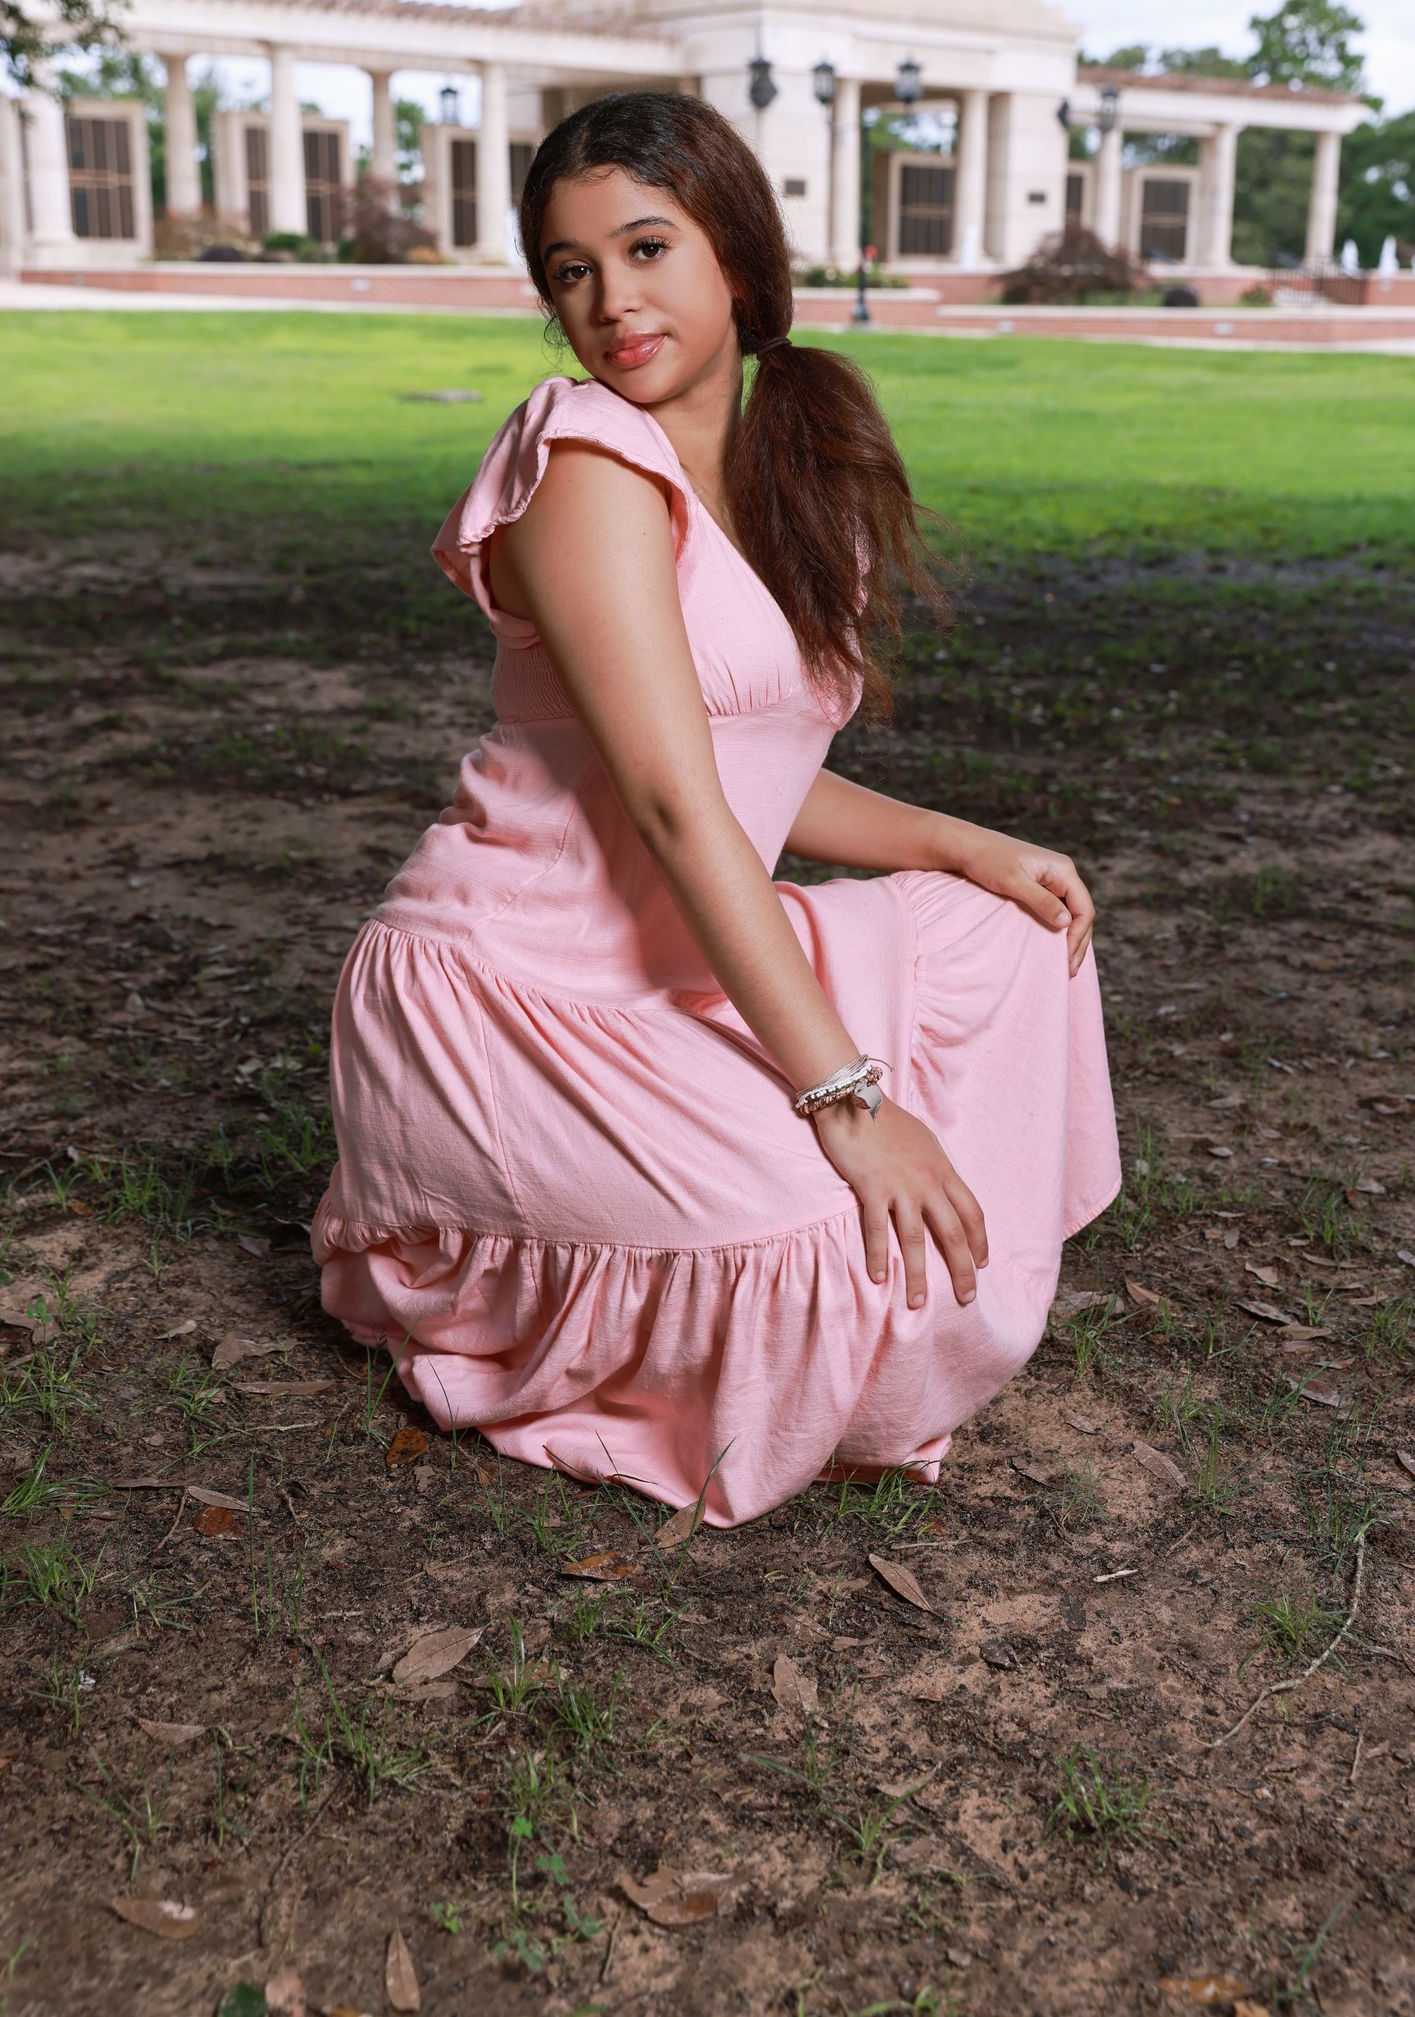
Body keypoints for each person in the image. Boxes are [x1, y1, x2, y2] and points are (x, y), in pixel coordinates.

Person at [309, 91, 1121, 1527]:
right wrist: (847, 1100)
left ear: (734, 254)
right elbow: (682, 809)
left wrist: (966, 843)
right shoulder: (578, 462)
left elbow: (763, 772)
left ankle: (852, 1171)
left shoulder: (792, 475)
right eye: (572, 271)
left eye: (645, 247)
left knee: (1011, 930)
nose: (611, 299)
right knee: (820, 1231)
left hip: (680, 955)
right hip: (509, 989)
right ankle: (461, 1248)